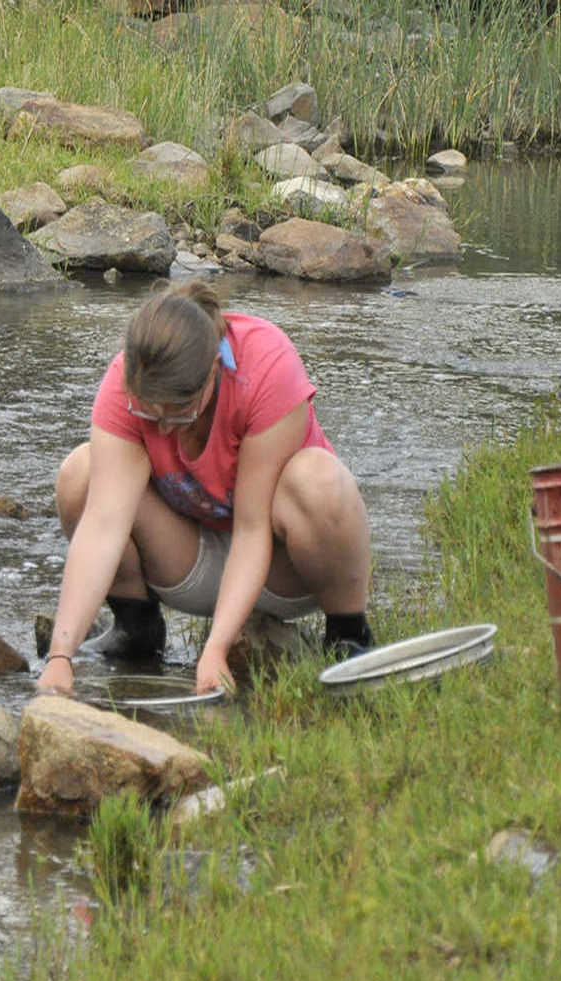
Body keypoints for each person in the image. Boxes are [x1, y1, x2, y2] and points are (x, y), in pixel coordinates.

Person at [36, 282, 373, 696]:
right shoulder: (125, 381)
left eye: (177, 412)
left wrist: (215, 649)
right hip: (188, 557)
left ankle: (348, 634)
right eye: (147, 411)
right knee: (81, 476)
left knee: (319, 480)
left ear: (214, 369)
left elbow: (251, 530)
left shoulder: (266, 365)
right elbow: (103, 526)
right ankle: (136, 628)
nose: (160, 429)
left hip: (284, 566)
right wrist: (59, 657)